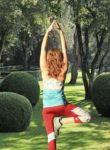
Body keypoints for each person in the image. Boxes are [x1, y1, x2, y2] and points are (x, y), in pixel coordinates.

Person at [40, 20, 91, 150]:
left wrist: (47, 31)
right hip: (62, 108)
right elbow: (65, 49)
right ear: (61, 58)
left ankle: (57, 122)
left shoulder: (44, 70)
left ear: (48, 59)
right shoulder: (63, 70)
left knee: (51, 139)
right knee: (86, 117)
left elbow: (42, 49)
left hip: (47, 110)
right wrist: (61, 32)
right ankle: (60, 122)